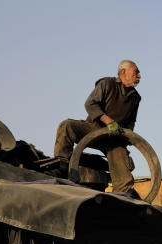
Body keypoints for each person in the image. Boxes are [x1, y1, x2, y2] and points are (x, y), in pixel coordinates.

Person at [54, 60, 141, 194]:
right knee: (67, 126)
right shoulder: (107, 83)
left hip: (113, 139)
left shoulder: (136, 97)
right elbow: (90, 104)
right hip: (93, 129)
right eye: (136, 72)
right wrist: (108, 121)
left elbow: (131, 123)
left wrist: (125, 137)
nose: (139, 76)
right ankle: (61, 167)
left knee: (123, 177)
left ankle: (123, 195)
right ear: (123, 72)